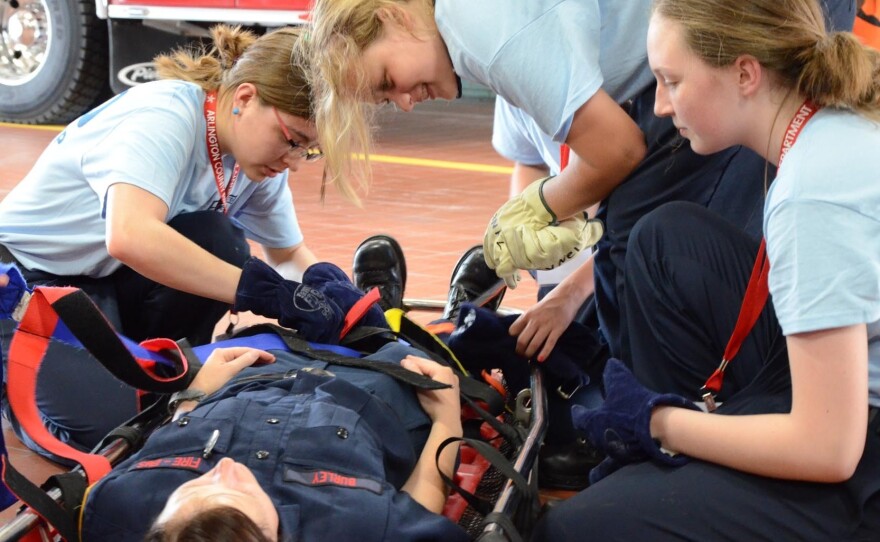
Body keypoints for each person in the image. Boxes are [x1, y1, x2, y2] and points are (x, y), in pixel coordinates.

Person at [302, 0, 856, 370]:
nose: (402, 99)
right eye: (385, 101)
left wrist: (537, 206)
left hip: (746, 18)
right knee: (633, 240)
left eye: (384, 81)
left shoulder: (485, 37)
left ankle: (664, 426)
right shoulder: (464, 22)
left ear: (387, 14)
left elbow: (618, 150)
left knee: (640, 244)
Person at [531, 0, 880, 539]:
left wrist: (659, 420)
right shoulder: (826, 129)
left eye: (671, 81)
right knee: (664, 238)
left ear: (744, 74)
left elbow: (829, 450)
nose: (663, 106)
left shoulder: (812, 196)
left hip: (857, 454)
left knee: (573, 530)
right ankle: (681, 475)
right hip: (841, 386)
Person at [0, 25, 347, 460]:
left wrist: (334, 299)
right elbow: (130, 236)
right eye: (293, 141)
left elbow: (288, 254)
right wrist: (265, 293)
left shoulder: (253, 157)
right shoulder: (165, 116)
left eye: (308, 151)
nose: (294, 162)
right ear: (244, 98)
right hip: (21, 280)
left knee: (220, 242)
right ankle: (15, 392)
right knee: (111, 432)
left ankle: (147, 379)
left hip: (98, 280)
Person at [79, 343, 470, 541]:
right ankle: (383, 311)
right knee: (406, 352)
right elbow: (421, 509)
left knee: (249, 337)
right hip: (373, 396)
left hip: (244, 382)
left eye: (194, 484)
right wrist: (448, 417)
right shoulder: (353, 524)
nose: (226, 469)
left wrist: (192, 397)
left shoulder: (119, 502)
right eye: (240, 492)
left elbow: (167, 444)